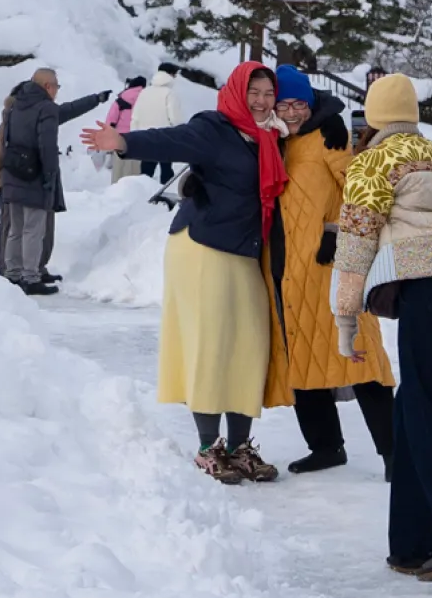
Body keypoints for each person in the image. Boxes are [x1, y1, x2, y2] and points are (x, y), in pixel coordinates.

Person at [84, 60, 292, 483]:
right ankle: (208, 447)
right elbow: (170, 140)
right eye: (253, 91)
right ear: (237, 91)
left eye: (268, 93)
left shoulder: (270, 137)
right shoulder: (214, 128)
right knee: (210, 344)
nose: (261, 100)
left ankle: (239, 446)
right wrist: (122, 140)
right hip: (202, 248)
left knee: (250, 345)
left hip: (244, 251)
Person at [329, 71, 432, 580]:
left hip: (421, 287)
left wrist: (345, 317)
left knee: (424, 408)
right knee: (413, 405)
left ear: (372, 115)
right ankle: (413, 540)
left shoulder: (371, 162)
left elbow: (353, 244)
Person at [273, 66, 392, 474]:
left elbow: (361, 191)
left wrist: (337, 231)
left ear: (309, 102)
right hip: (291, 269)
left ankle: (394, 454)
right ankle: (325, 446)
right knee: (302, 355)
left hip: (332, 265)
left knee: (360, 358)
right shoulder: (275, 140)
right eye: (283, 104)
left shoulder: (329, 136)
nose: (291, 112)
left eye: (298, 104)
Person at [0, 68, 109, 294]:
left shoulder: (15, 105)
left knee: (16, 228)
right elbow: (47, 146)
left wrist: (94, 100)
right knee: (33, 230)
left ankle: (12, 274)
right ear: (47, 86)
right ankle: (31, 278)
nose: (57, 91)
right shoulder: (45, 108)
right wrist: (49, 176)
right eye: (56, 86)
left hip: (13, 173)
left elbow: (65, 111)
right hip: (33, 176)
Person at [103, 70, 181, 191]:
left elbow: (114, 118)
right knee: (165, 168)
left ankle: (121, 190)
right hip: (163, 136)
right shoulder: (166, 93)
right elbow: (175, 118)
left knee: (137, 168)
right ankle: (165, 193)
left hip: (132, 136)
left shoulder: (125, 98)